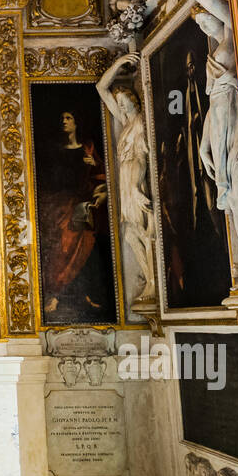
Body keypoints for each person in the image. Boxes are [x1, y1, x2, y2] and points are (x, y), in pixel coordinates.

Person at [178, 0, 238, 292]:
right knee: (230, 196)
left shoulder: (235, 35)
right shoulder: (214, 56)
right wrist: (203, 145)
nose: (204, 26)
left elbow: (232, 16)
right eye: (199, 25)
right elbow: (212, 105)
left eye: (204, 19)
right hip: (220, 118)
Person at [37, 105, 114, 323]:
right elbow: (49, 180)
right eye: (61, 117)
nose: (64, 121)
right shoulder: (53, 150)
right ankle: (56, 295)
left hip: (82, 204)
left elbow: (102, 176)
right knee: (61, 248)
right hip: (60, 205)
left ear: (75, 122)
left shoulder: (87, 148)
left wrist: (95, 164)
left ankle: (85, 293)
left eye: (68, 117)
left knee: (86, 248)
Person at [98, 53, 157, 307]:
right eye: (118, 104)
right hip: (125, 174)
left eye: (124, 102)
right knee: (131, 233)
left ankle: (154, 280)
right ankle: (149, 277)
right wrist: (118, 65)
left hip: (136, 171)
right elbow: (101, 88)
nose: (120, 107)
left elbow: (147, 153)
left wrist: (136, 185)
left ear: (134, 101)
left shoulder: (143, 121)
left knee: (144, 227)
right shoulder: (124, 122)